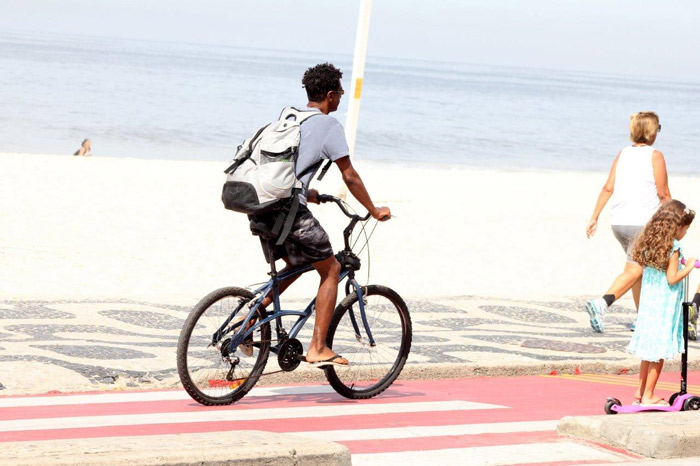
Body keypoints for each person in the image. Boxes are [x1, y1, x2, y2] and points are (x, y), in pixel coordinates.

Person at [240, 63, 390, 367]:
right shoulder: (329, 126)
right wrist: (374, 210)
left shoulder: (289, 116)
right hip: (288, 213)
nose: (341, 100)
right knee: (331, 269)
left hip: (261, 208)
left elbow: (284, 168)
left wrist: (307, 192)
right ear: (331, 95)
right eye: (340, 94)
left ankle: (248, 318)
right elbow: (350, 176)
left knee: (297, 261)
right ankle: (318, 347)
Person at [585, 112, 671, 332]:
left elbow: (608, 187)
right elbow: (663, 194)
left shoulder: (622, 153)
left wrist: (594, 217)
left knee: (636, 268)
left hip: (619, 223)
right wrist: (675, 218)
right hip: (641, 224)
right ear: (652, 132)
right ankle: (602, 303)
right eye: (658, 129)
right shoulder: (656, 155)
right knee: (636, 270)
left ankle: (641, 319)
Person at [626, 200, 695, 406]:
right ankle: (649, 395)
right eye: (685, 228)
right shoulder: (673, 247)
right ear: (677, 226)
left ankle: (640, 392)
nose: (685, 233)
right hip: (664, 306)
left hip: (649, 304)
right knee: (658, 352)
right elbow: (672, 278)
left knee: (648, 351)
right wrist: (689, 267)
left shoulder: (650, 242)